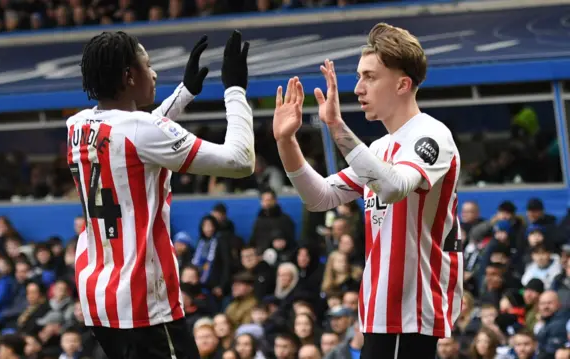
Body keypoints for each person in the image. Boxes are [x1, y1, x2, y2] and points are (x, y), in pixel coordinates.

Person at [271, 22, 463, 359]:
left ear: (403, 84)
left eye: (370, 77)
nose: (358, 88)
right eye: (359, 77)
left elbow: (392, 187)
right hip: (379, 308)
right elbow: (320, 197)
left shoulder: (431, 135)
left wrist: (336, 126)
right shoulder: (379, 147)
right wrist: (286, 141)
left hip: (411, 310)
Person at [68, 30, 254, 358]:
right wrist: (235, 90)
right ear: (128, 76)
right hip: (144, 302)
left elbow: (135, 134)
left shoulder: (78, 125)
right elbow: (240, 161)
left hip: (100, 297)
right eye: (148, 65)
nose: (153, 74)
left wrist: (185, 93)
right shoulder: (141, 131)